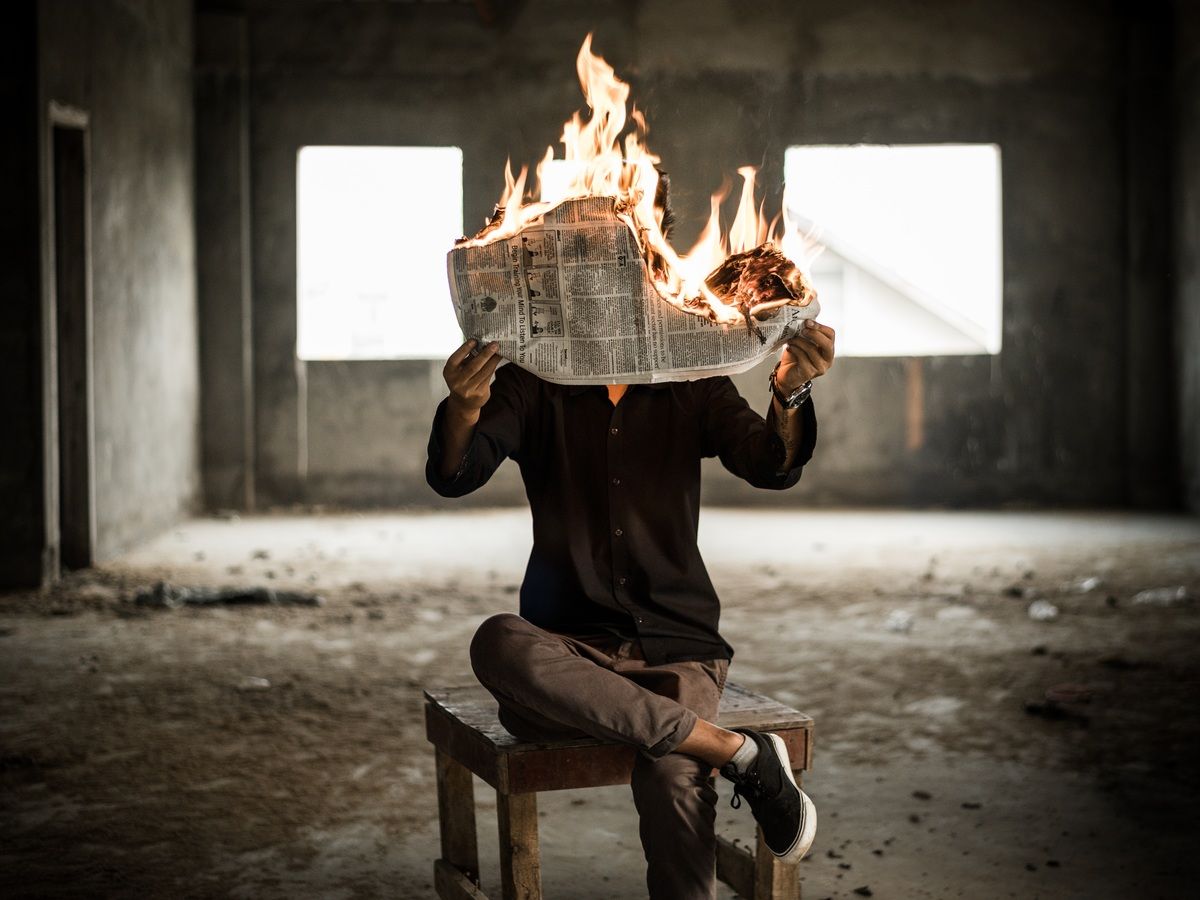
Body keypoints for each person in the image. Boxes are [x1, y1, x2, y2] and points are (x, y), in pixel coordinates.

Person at [425, 311, 834, 898]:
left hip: (677, 648)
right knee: (498, 640)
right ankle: (735, 752)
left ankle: (704, 749)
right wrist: (464, 406)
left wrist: (791, 388)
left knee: (675, 777)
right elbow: (455, 475)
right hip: (569, 658)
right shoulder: (534, 381)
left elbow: (771, 464)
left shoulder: (691, 379)